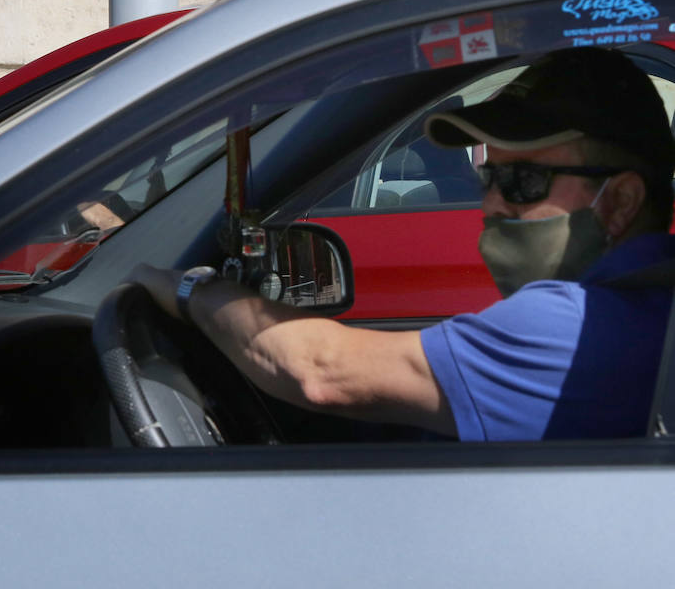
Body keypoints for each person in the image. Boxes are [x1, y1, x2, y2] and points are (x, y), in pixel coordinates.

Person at [131, 47, 675, 441]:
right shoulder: (650, 305)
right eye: (488, 177)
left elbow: (318, 372)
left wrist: (190, 290)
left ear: (621, 200)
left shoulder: (576, 327)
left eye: (522, 181)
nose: (492, 204)